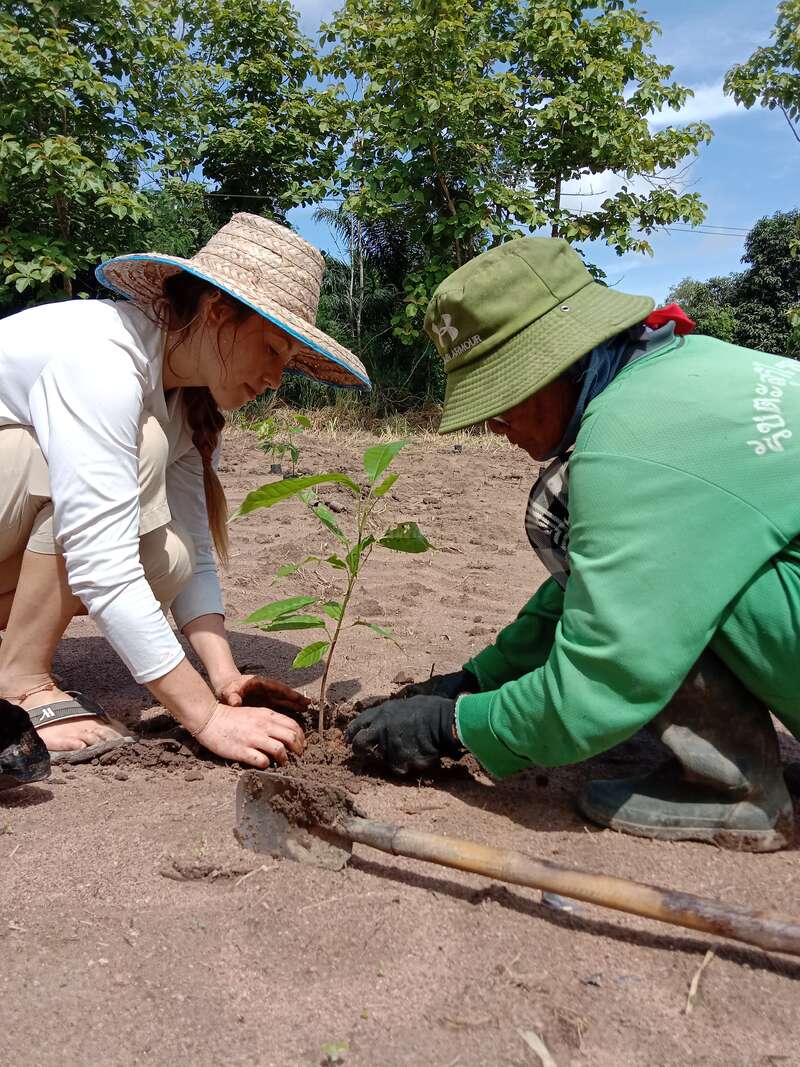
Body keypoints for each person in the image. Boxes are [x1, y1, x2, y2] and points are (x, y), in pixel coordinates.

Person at [346, 236, 800, 852]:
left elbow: (601, 680)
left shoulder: (630, 440)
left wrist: (453, 726)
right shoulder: (690, 370)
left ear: (556, 361)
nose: (491, 423)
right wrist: (479, 678)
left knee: (560, 505)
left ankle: (734, 792)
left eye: (501, 397)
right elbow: (610, 571)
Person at [0, 212, 370, 773]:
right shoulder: (103, 358)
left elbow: (196, 555)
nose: (275, 378)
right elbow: (99, 563)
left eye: (288, 364)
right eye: (272, 350)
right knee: (136, 453)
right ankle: (21, 680)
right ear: (219, 313)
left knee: (166, 556)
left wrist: (222, 678)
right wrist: (205, 718)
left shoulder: (185, 405)